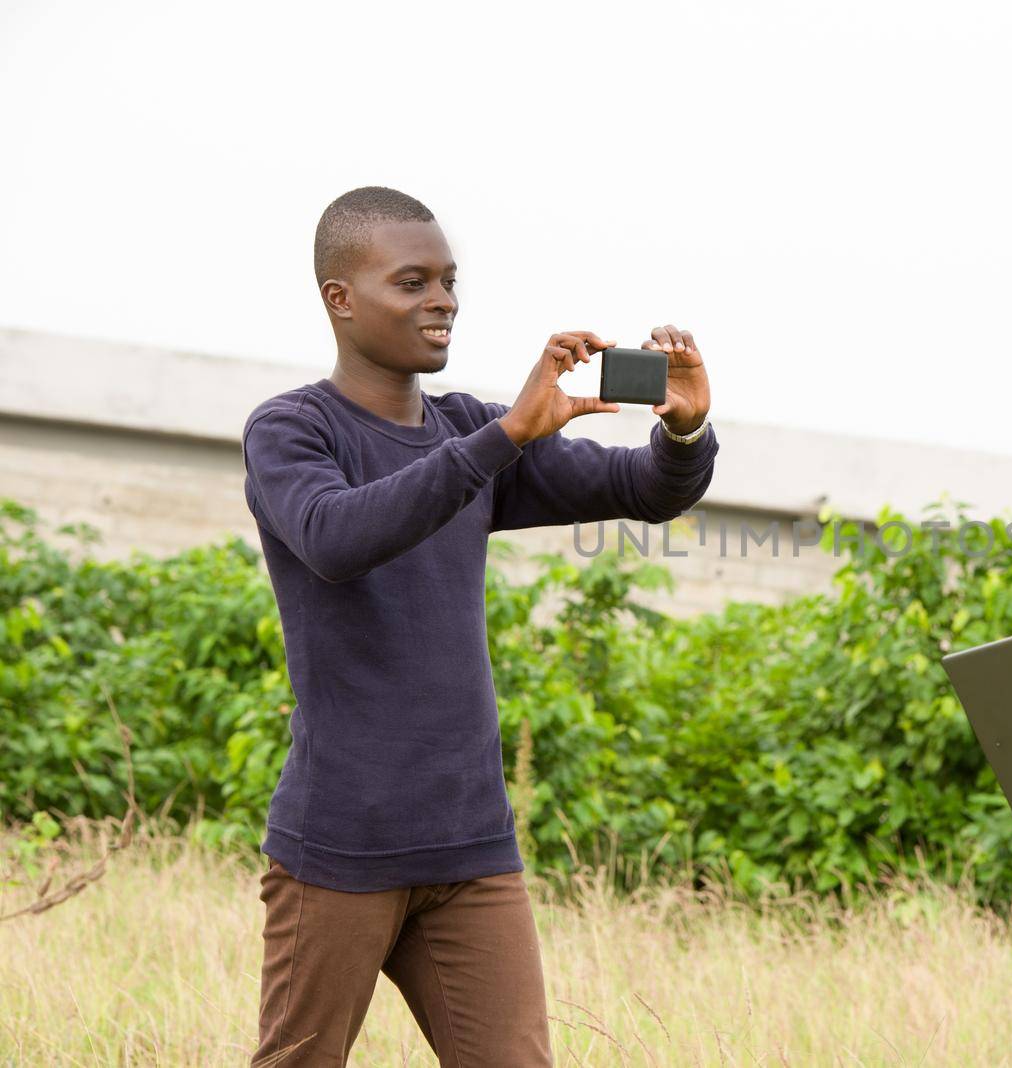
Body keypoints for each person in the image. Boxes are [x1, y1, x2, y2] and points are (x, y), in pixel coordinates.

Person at [241, 186, 717, 1066]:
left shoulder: (464, 430)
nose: (442, 301)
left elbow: (641, 492)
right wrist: (503, 439)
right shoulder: (291, 429)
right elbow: (337, 538)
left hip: (470, 851)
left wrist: (683, 434)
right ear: (339, 299)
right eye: (412, 282)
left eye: (449, 282)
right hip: (341, 847)